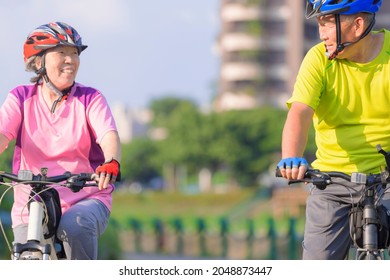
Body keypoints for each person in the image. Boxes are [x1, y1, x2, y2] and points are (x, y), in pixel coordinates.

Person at [276, 0, 389, 259]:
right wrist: (291, 157)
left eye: (327, 23)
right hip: (333, 183)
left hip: (387, 178)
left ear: (358, 24)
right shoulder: (318, 59)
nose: (321, 34)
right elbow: (300, 112)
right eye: (319, 23)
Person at [0, 22, 122, 259]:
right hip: (30, 203)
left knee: (75, 227)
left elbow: (108, 134)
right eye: (62, 52)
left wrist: (112, 161)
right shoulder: (20, 97)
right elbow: (2, 134)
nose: (71, 60)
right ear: (39, 62)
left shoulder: (90, 98)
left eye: (74, 53)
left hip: (84, 198)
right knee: (27, 256)